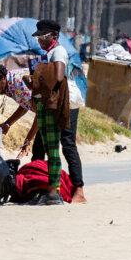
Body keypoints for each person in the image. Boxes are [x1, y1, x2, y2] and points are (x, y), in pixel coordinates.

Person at [30, 18, 86, 204]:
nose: (39, 40)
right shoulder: (47, 53)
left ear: (54, 36)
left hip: (65, 102)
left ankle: (78, 190)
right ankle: (40, 184)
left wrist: (38, 74)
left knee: (67, 144)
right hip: (50, 102)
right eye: (38, 37)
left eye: (43, 36)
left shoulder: (59, 51)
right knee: (41, 144)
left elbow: (58, 76)